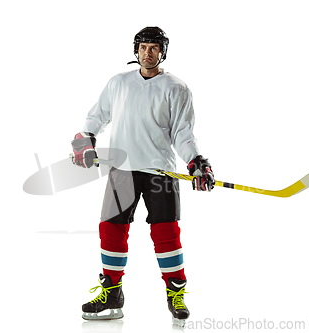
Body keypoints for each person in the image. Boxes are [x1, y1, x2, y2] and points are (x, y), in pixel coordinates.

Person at [71, 26, 214, 327]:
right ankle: (111, 293)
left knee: (166, 234)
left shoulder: (177, 88)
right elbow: (97, 116)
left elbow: (183, 133)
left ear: (163, 51)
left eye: (154, 47)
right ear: (135, 50)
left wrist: (196, 162)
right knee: (111, 229)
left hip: (160, 172)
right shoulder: (118, 82)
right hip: (122, 171)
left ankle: (176, 294)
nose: (148, 53)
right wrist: (86, 138)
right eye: (143, 47)